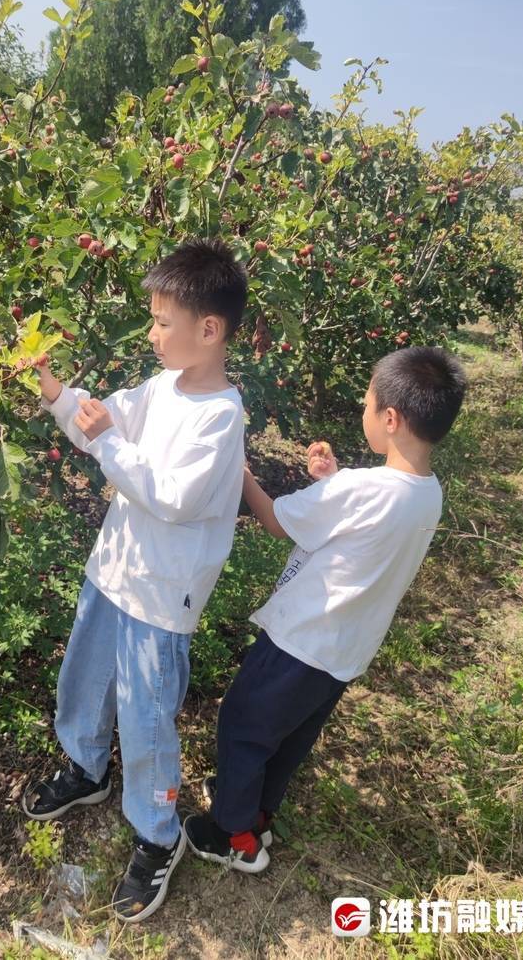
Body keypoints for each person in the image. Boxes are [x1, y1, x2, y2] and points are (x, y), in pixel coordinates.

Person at [22, 237, 248, 921]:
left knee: (148, 716)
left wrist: (110, 442)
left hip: (161, 594)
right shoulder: (161, 387)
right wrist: (61, 395)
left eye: (161, 322)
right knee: (85, 678)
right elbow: (106, 418)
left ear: (208, 330)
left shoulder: (220, 418)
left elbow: (171, 495)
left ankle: (157, 834)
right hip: (113, 571)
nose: (151, 334)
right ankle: (86, 768)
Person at [185, 346, 467, 872]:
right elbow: (362, 527)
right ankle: (256, 812)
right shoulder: (428, 493)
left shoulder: (360, 489)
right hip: (343, 651)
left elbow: (274, 521)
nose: (363, 411)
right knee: (289, 736)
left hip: (300, 640)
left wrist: (240, 472)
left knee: (243, 725)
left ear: (390, 418)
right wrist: (330, 483)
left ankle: (233, 836)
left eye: (366, 402)